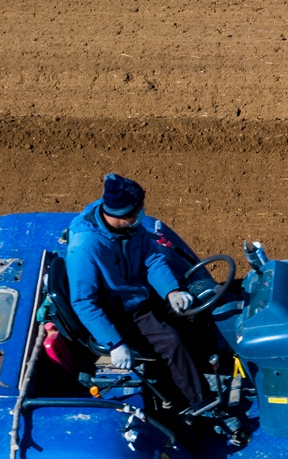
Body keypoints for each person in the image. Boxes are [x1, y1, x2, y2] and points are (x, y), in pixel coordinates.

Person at [64, 174, 209, 408]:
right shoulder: (85, 247)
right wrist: (115, 343)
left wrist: (172, 291)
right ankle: (202, 404)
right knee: (170, 342)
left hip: (139, 293)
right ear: (123, 213)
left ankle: (201, 365)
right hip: (120, 311)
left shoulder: (130, 228)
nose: (143, 213)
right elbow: (83, 302)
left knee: (195, 310)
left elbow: (152, 259)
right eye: (139, 209)